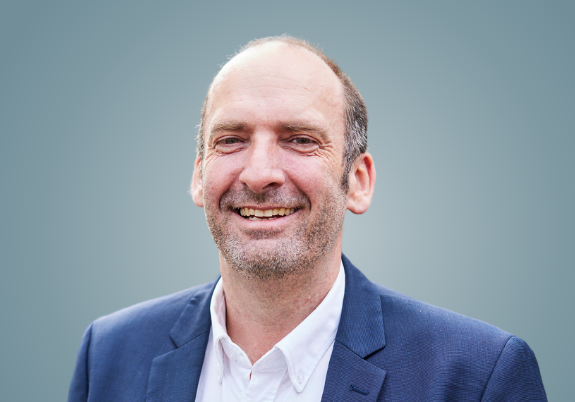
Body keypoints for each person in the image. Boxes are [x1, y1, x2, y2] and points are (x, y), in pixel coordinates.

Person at [68, 36, 547, 401]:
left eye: (299, 139)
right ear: (199, 176)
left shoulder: (477, 377)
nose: (258, 174)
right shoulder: (108, 355)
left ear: (357, 180)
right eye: (231, 140)